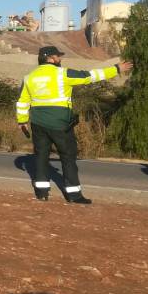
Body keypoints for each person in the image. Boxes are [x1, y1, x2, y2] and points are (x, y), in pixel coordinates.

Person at [16, 45, 133, 204]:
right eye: (58, 56)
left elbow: (22, 101)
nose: (60, 59)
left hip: (38, 124)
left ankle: (41, 192)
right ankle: (74, 195)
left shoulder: (29, 77)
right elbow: (90, 76)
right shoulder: (63, 73)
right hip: (59, 123)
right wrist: (116, 68)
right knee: (68, 157)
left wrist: (22, 121)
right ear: (50, 58)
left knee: (41, 157)